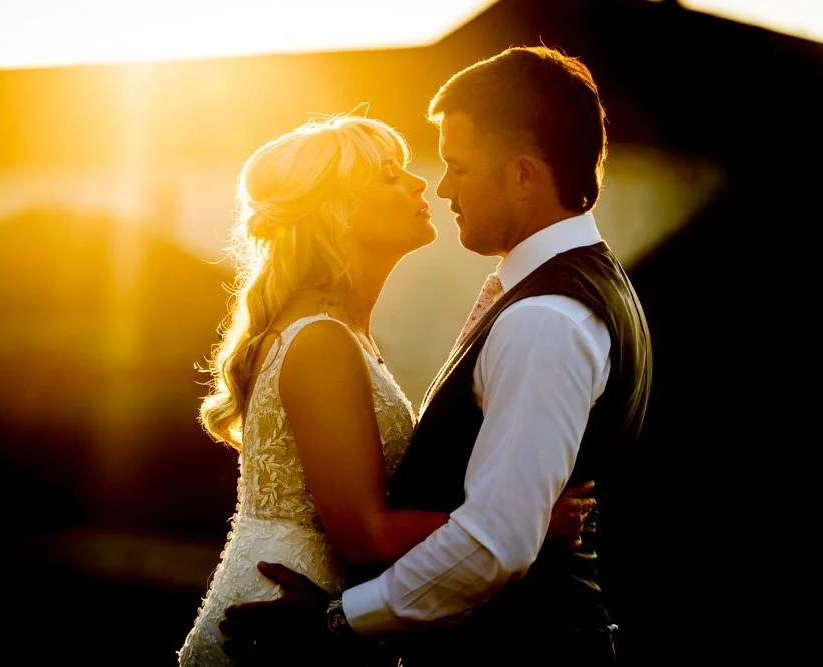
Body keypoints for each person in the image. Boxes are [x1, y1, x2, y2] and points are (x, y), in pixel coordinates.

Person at [219, 45, 653, 667]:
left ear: (525, 175)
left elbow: (496, 542)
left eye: (459, 166)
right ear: (338, 213)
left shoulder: (543, 318)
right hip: (277, 615)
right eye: (393, 174)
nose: (436, 184)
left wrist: (341, 622)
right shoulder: (577, 292)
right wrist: (526, 521)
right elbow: (491, 529)